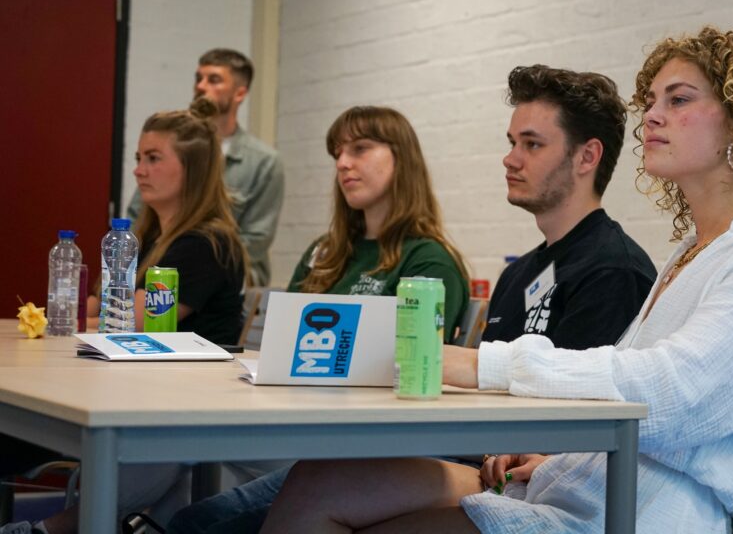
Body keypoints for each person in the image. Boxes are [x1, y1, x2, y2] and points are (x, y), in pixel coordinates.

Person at [259, 26, 733, 534]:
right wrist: (559, 459)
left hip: (642, 511)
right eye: (652, 102)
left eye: (678, 100)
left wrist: (479, 365)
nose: (652, 116)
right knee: (320, 481)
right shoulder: (692, 252)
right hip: (582, 483)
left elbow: (672, 398)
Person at [166, 105, 470, 534]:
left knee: (197, 523)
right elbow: (282, 348)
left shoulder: (428, 261)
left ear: (401, 158)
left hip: (372, 447)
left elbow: (415, 370)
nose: (343, 163)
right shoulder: (324, 252)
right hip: (302, 429)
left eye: (360, 149)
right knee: (189, 510)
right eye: (337, 153)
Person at [0, 98, 248, 534]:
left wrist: (73, 320)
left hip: (176, 409)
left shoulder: (206, 244)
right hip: (135, 392)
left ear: (191, 170)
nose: (138, 171)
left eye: (153, 158)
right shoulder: (146, 235)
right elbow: (95, 307)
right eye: (138, 158)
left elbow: (129, 320)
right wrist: (70, 314)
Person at [482, 65, 656, 350]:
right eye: (513, 143)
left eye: (532, 144)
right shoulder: (514, 275)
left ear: (587, 157)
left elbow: (575, 380)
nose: (510, 160)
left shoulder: (613, 273)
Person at [127, 48, 284, 287]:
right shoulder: (170, 148)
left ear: (240, 93)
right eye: (198, 78)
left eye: (214, 80)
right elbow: (138, 217)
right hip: (161, 264)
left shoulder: (264, 162)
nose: (201, 86)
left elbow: (255, 240)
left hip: (230, 274)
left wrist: (193, 257)